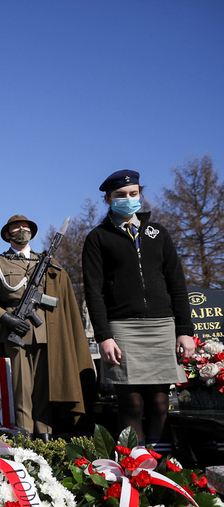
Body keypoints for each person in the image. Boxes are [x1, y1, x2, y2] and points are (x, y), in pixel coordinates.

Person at [82, 170, 193, 451]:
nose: (128, 199)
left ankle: (163, 469)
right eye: (121, 195)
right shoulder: (98, 238)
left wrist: (184, 330)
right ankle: (134, 467)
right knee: (131, 402)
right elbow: (94, 291)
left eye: (133, 194)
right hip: (122, 327)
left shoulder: (158, 234)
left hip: (162, 325)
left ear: (140, 195)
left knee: (159, 401)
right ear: (108, 199)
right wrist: (103, 336)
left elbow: (176, 283)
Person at [0, 215, 94, 440]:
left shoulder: (46, 261)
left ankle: (45, 434)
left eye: (26, 227)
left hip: (45, 331)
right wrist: (5, 318)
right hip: (15, 332)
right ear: (7, 234)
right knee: (22, 387)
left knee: (45, 386)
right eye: (17, 227)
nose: (22, 229)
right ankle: (25, 434)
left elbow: (60, 294)